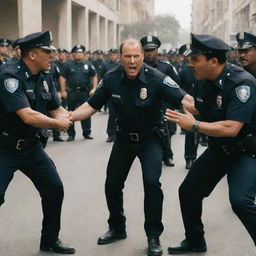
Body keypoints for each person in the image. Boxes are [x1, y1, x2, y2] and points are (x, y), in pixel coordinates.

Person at [70, 38, 192, 256]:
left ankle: (153, 236)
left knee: (152, 183)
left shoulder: (157, 79)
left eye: (137, 56)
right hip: (124, 140)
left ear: (143, 57)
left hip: (150, 139)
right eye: (128, 56)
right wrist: (68, 117)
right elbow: (90, 106)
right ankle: (117, 227)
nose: (133, 61)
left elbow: (184, 99)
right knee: (112, 184)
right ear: (121, 58)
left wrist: (204, 116)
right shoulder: (110, 79)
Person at [165, 33, 256, 254]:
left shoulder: (242, 83)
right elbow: (202, 108)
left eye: (195, 59)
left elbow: (231, 128)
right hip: (218, 150)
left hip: (245, 151)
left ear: (213, 61)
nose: (190, 63)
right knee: (188, 191)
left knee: (240, 200)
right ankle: (195, 242)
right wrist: (183, 108)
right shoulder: (202, 80)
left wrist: (194, 124)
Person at [0, 30, 75, 254]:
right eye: (47, 52)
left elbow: (56, 107)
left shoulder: (44, 76)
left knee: (54, 189)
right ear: (32, 55)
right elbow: (27, 115)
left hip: (31, 147)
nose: (52, 55)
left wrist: (64, 116)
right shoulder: (10, 77)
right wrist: (57, 124)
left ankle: (50, 240)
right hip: (4, 149)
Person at [140, 35, 180, 167]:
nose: (149, 53)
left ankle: (167, 155)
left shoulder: (166, 67)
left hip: (164, 106)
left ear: (157, 50)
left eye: (152, 50)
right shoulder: (137, 68)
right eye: (146, 50)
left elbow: (176, 86)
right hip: (145, 106)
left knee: (168, 131)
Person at [59, 44, 98, 141]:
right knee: (70, 113)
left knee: (86, 112)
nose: (79, 54)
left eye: (81, 53)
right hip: (72, 92)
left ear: (83, 54)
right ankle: (71, 134)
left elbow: (94, 76)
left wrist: (94, 88)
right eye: (77, 53)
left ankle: (86, 132)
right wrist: (63, 90)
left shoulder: (88, 64)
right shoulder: (68, 65)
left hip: (84, 92)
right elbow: (62, 78)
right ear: (73, 54)